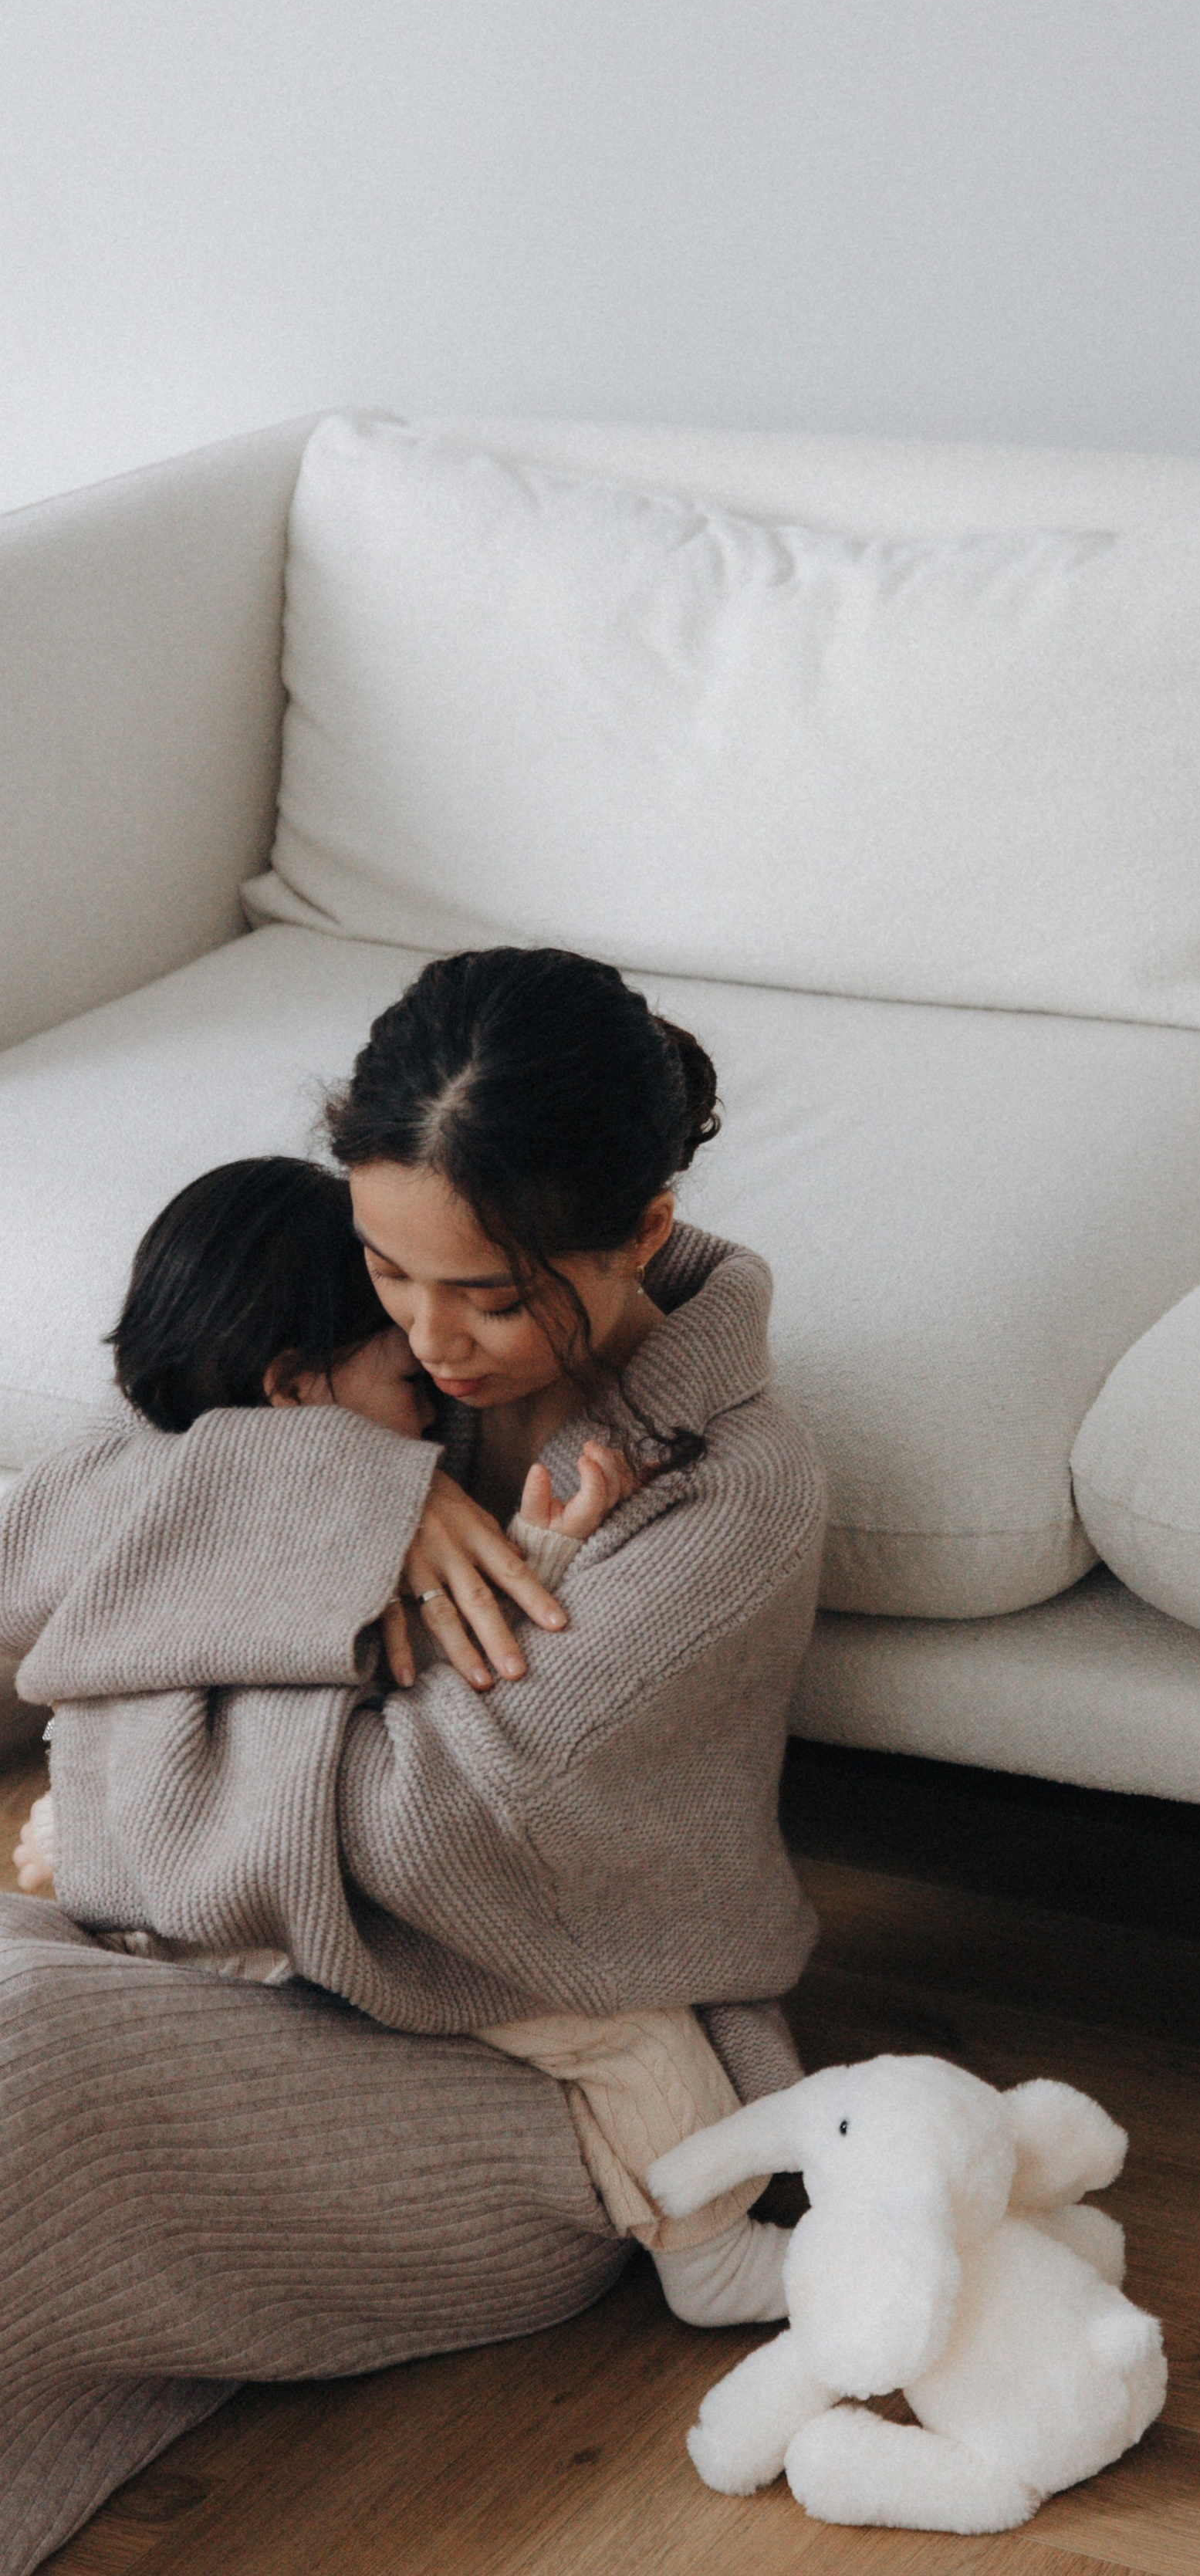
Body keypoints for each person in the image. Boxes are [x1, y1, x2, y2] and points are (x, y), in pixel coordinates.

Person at [0, 948, 826, 2572]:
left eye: (494, 1297)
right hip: (211, 1960)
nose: (433, 1342)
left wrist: (104, 1783)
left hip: (515, 2074)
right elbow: (35, 1549)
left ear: (639, 1236)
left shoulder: (724, 1501)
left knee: (19, 2062)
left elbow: (432, 1831)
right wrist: (338, 1491)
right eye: (390, 1273)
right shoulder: (339, 1358)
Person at [13, 1151, 789, 2327]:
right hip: (243, 1896)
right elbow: (430, 1677)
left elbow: (440, 1723)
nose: (431, 1376)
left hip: (153, 1881)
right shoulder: (322, 1488)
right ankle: (714, 2254)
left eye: (486, 1299)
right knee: (634, 2030)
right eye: (394, 1314)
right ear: (293, 1391)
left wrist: (103, 1808)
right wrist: (382, 1495)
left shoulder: (729, 1485)